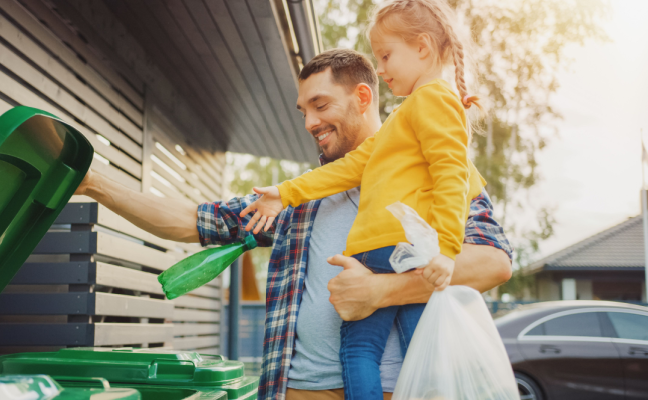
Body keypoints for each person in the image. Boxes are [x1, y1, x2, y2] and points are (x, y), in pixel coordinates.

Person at [73, 49, 512, 400]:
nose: (309, 123)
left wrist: (381, 291)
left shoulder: (436, 172)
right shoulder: (296, 198)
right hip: (300, 389)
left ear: (363, 98)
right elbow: (193, 221)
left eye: (320, 105)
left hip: (399, 389)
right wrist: (95, 184)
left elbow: (493, 263)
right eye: (303, 110)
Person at [239, 1, 489, 398]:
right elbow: (350, 167)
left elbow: (451, 176)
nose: (381, 69)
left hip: (382, 250)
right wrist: (285, 193)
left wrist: (446, 249)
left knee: (360, 351)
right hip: (397, 252)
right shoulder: (405, 116)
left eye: (386, 56)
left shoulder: (433, 100)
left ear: (422, 47)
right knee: (421, 347)